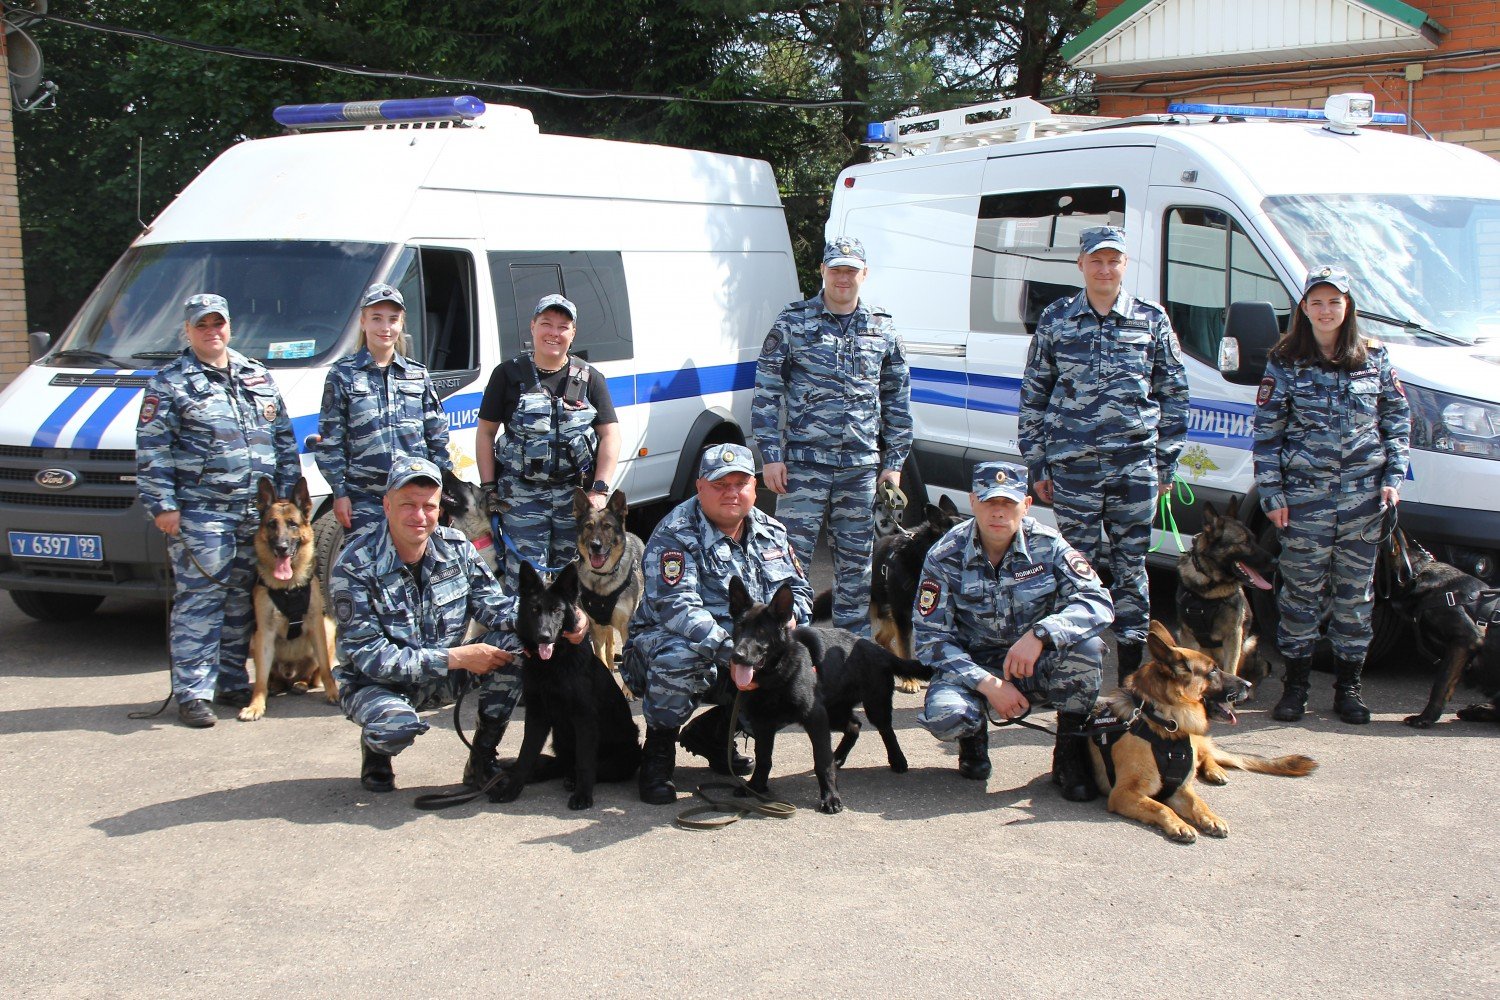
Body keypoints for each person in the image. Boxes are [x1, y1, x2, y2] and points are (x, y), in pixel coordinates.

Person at [328, 456, 589, 793]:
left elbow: (495, 608)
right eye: (408, 505)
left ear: (440, 509)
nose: (419, 516)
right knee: (394, 726)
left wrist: (568, 615)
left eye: (429, 506)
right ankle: (377, 752)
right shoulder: (354, 565)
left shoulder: (456, 549)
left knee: (516, 646)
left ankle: (482, 759)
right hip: (378, 683)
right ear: (387, 506)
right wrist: (459, 658)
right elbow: (368, 656)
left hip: (443, 674)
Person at [1018, 225, 1189, 684]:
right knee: (1076, 564)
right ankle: (1078, 665)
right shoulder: (1057, 319)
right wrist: (1037, 463)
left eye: (1113, 260)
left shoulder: (1150, 319)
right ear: (1081, 265)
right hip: (1073, 468)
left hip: (1134, 466)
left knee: (1132, 567)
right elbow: (1035, 394)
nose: (1105, 268)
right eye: (1096, 260)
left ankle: (1133, 672)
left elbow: (1174, 394)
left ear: (1125, 265)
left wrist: (1165, 463)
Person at [1254, 265, 1411, 725]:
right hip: (1304, 501)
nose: (1326, 310)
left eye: (1334, 301)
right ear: (1304, 308)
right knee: (1299, 595)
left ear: (1348, 307)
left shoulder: (1375, 358)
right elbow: (1267, 435)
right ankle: (1296, 687)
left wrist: (1394, 478)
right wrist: (1273, 494)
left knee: (1355, 598)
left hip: (1364, 500)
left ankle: (1349, 689)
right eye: (1317, 302)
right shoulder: (1284, 361)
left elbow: (1397, 423)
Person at [137, 293, 300, 728]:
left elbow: (283, 439)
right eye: (202, 325)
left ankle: (230, 681)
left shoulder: (256, 375)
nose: (212, 332)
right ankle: (193, 692)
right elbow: (153, 450)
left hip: (258, 517)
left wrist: (283, 508)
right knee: (201, 600)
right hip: (201, 513)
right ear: (187, 331)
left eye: (219, 324)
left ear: (230, 326)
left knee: (240, 602)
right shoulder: (169, 383)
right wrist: (164, 506)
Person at [621, 443, 814, 805]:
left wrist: (787, 629)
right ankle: (658, 753)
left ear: (755, 487)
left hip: (746, 650)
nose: (731, 493)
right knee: (678, 655)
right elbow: (679, 611)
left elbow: (800, 591)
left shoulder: (772, 530)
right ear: (700, 487)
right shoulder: (675, 534)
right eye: (720, 484)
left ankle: (714, 733)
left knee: (799, 670)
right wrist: (738, 653)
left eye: (740, 483)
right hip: (669, 649)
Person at [913, 461, 1114, 801]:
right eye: (990, 502)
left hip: (1034, 664)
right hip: (974, 668)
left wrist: (1041, 634)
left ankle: (1068, 757)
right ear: (974, 501)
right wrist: (989, 685)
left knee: (1088, 651)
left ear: (1027, 505)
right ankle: (973, 742)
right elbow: (930, 639)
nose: (998, 513)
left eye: (1008, 503)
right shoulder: (944, 555)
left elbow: (1098, 602)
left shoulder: (1048, 545)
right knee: (947, 717)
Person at [752, 237, 911, 637]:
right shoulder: (793, 322)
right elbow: (767, 391)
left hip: (860, 468)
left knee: (856, 567)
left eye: (851, 270)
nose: (844, 277)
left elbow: (897, 399)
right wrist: (770, 455)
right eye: (836, 269)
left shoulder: (882, 327)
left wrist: (893, 465)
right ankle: (793, 649)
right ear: (822, 271)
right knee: (788, 562)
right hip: (803, 466)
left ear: (864, 274)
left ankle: (849, 656)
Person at [475, 293, 620, 588]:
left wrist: (600, 490)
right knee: (526, 581)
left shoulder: (590, 378)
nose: (554, 333)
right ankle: (527, 635)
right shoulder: (507, 375)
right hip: (521, 497)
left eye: (563, 326)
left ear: (573, 333)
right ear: (533, 327)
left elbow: (610, 434)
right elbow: (486, 433)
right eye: (546, 324)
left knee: (575, 578)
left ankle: (575, 634)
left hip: (574, 499)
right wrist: (489, 489)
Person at [316, 283, 452, 536]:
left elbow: (437, 435)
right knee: (366, 570)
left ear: (401, 324)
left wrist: (440, 490)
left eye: (393, 319)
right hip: (364, 498)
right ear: (363, 322)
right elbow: (331, 440)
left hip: (415, 496)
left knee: (413, 569)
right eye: (377, 319)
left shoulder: (417, 374)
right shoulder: (342, 374)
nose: (385, 327)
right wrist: (340, 493)